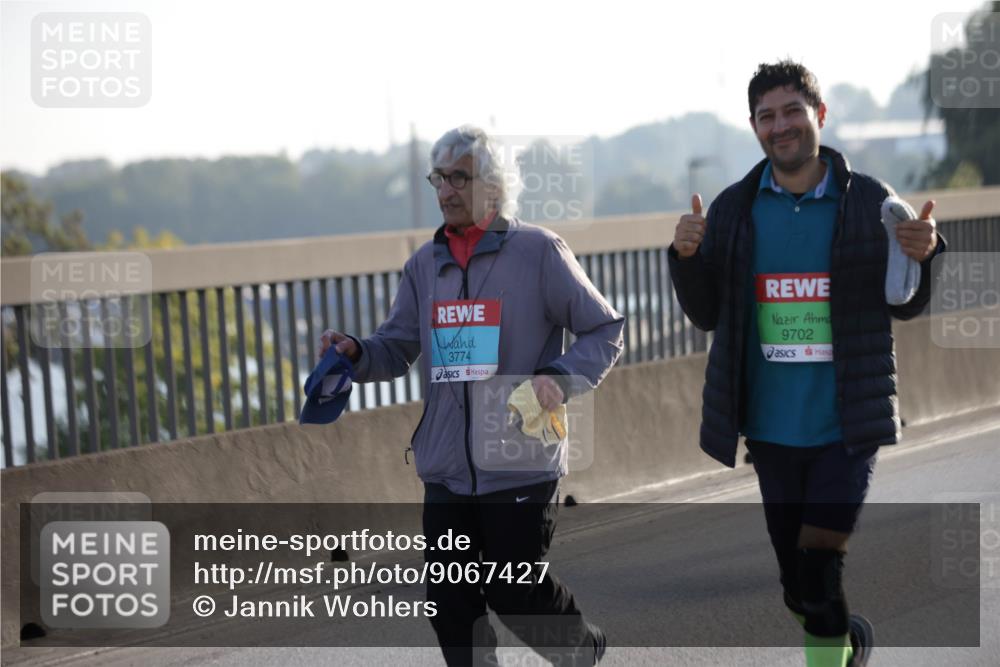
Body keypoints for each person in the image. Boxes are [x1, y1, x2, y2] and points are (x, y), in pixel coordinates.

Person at [668, 61, 945, 667]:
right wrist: (686, 257)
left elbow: (907, 302)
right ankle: (844, 640)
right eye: (767, 116)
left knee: (819, 571)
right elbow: (706, 314)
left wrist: (924, 254)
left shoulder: (871, 202)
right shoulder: (735, 208)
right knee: (798, 584)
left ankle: (829, 645)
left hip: (847, 425)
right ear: (754, 128)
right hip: (769, 429)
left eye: (792, 110)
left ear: (819, 115)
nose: (781, 125)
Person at [318, 125, 624, 666]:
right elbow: (397, 346)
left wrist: (558, 376)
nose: (446, 190)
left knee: (513, 591)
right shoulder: (424, 265)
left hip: (520, 458)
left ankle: (581, 648)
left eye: (460, 176)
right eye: (440, 177)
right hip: (447, 466)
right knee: (451, 603)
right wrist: (357, 352)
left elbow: (604, 329)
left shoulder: (538, 251)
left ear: (495, 184)